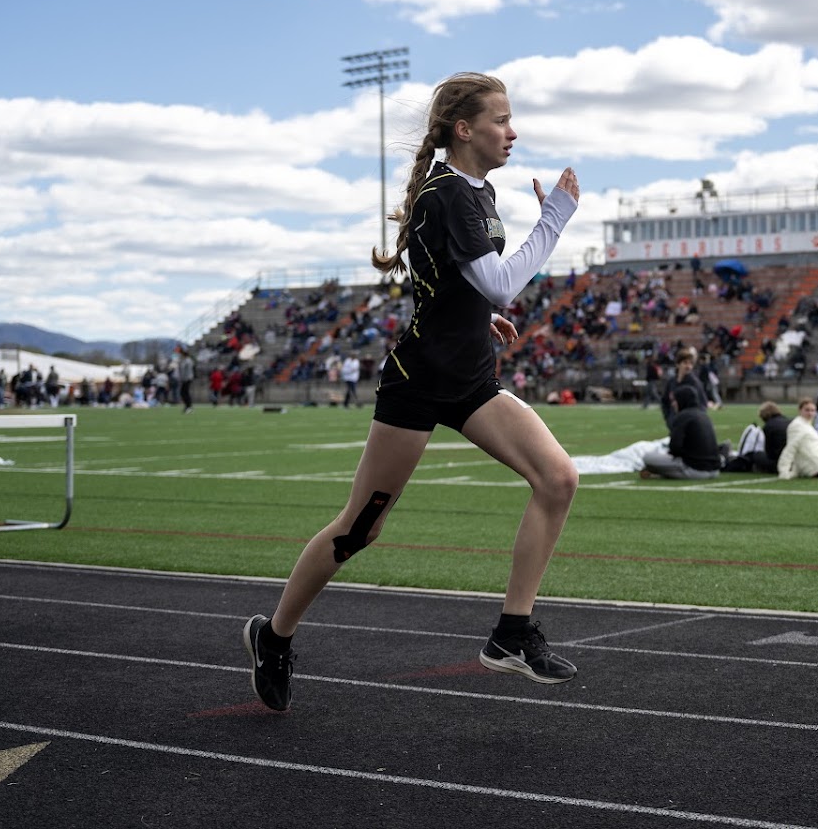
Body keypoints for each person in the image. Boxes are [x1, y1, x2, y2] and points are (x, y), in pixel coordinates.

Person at [242, 72, 584, 711]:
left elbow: (457, 279)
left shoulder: (476, 191)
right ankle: (275, 634)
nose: (513, 132)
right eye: (501, 120)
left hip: (471, 378)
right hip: (420, 383)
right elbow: (501, 282)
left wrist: (475, 315)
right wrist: (555, 219)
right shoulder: (448, 193)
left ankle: (511, 634)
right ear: (465, 129)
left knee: (558, 479)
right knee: (359, 529)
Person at [641, 386, 721, 480]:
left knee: (648, 457)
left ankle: (664, 473)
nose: (673, 404)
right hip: (715, 471)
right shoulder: (704, 416)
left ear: (682, 400)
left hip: (695, 469)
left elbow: (675, 447)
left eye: (675, 400)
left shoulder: (683, 417)